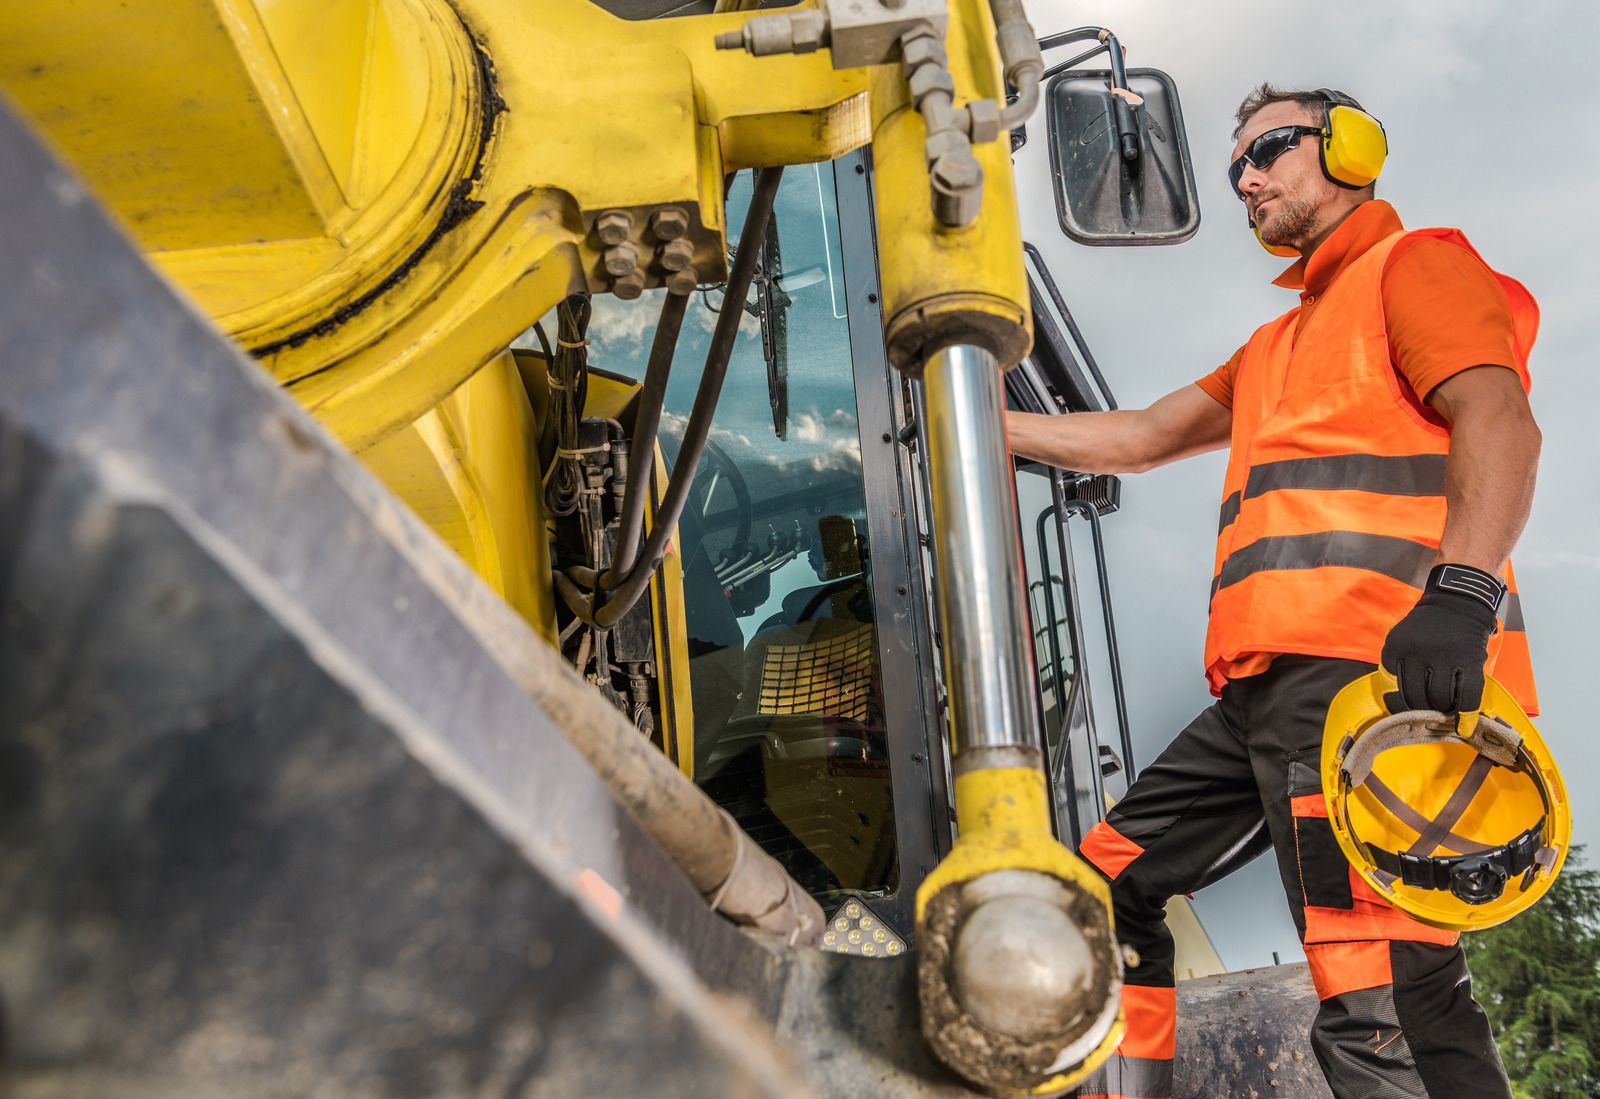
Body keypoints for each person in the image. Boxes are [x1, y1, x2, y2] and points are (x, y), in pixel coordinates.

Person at [1007, 84, 1541, 1099]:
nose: (1245, 179)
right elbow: (1140, 438)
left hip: (1376, 687)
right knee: (1100, 884)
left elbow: (1500, 418)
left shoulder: (1414, 266)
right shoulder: (1276, 346)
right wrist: (979, 426)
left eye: (1270, 149)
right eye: (1235, 165)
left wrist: (1462, 594)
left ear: (1351, 148)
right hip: (1262, 695)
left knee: (1383, 998)